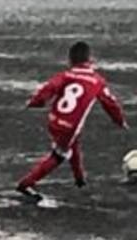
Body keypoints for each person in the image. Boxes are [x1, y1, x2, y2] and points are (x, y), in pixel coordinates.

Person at [16, 41, 127, 203]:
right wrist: (119, 121)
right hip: (69, 126)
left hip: (54, 119)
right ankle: (26, 184)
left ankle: (80, 179)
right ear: (90, 59)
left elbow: (48, 89)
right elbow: (110, 103)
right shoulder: (97, 81)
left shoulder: (65, 75)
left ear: (70, 60)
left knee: (74, 142)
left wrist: (35, 102)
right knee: (59, 155)